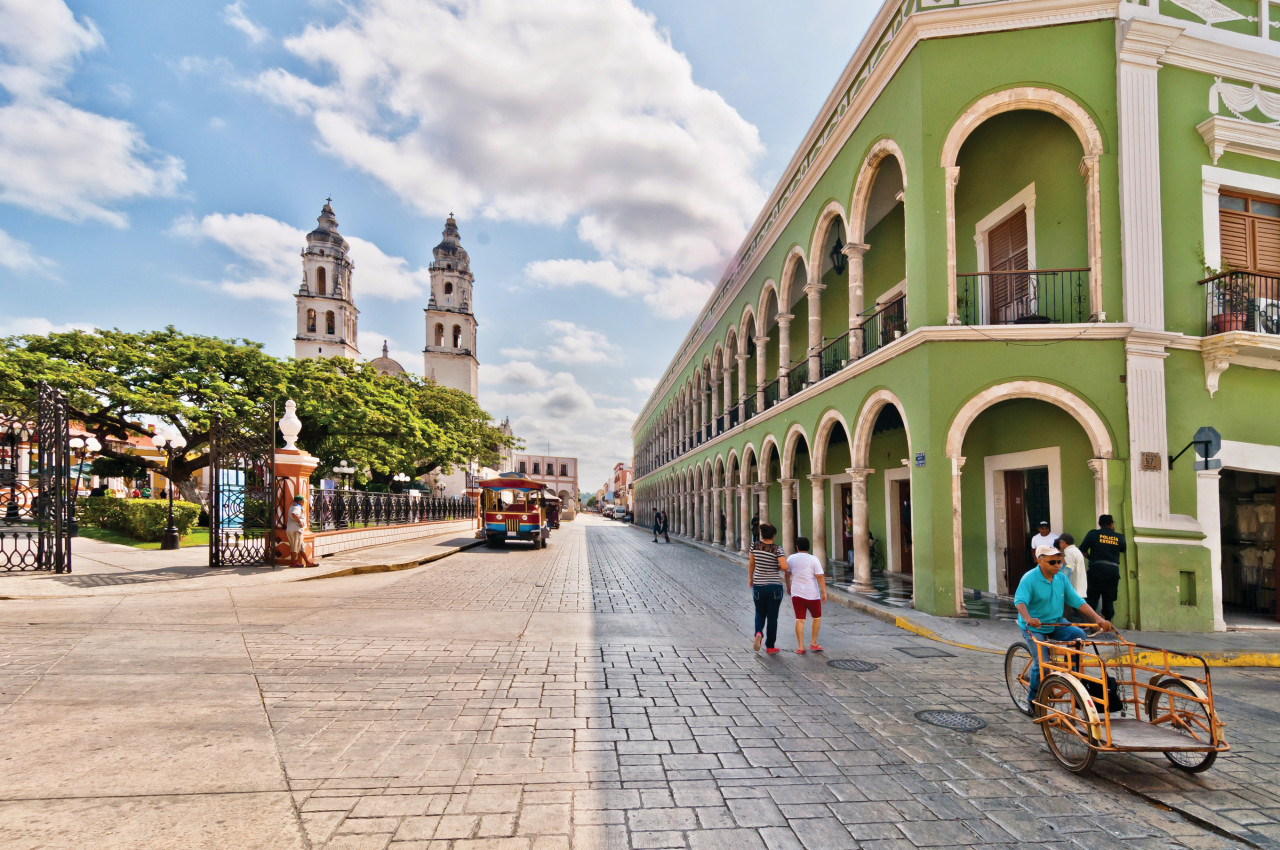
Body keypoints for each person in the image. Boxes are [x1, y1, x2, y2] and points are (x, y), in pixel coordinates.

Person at [1015, 544, 1113, 713]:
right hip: (1035, 627)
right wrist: (1028, 619)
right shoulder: (1029, 578)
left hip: (1056, 622)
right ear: (1040, 560)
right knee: (1043, 664)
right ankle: (1032, 699)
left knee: (1079, 635)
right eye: (1053, 562)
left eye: (1059, 561)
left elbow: (1077, 601)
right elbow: (1020, 602)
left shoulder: (1061, 579)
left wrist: (1098, 619)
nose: (1057, 565)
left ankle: (1073, 677)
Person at [748, 523, 789, 654]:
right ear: (774, 535)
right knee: (772, 617)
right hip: (774, 586)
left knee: (759, 613)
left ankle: (758, 632)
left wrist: (751, 579)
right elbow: (785, 566)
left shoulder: (754, 546)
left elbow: (751, 564)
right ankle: (770, 646)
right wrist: (776, 567)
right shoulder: (777, 549)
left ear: (762, 534)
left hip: (759, 585)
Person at [1080, 514, 1127, 620]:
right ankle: (1108, 622)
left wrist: (1091, 558)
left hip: (1096, 568)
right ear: (1111, 524)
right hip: (1112, 570)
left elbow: (1082, 549)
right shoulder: (1119, 537)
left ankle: (1091, 622)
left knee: (1092, 596)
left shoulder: (1093, 534)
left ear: (1099, 524)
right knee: (1109, 597)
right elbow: (1123, 549)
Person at [785, 535, 827, 654]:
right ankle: (813, 642)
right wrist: (824, 591)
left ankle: (800, 646)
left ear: (797, 547)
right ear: (809, 547)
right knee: (817, 618)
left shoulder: (791, 558)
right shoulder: (814, 559)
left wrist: (788, 586)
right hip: (812, 594)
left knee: (799, 620)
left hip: (797, 593)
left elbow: (787, 574)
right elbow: (820, 576)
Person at [286, 495, 314, 568]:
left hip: (295, 530)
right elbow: (294, 514)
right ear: (300, 501)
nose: (303, 502)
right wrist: (299, 522)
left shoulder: (293, 506)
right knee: (294, 547)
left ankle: (307, 562)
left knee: (301, 547)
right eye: (302, 501)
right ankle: (293, 563)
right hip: (295, 530)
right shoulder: (297, 507)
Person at [1056, 532, 1087, 599]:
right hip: (1078, 588)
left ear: (1062, 542)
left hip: (1073, 589)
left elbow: (1069, 569)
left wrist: (1061, 559)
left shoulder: (1068, 552)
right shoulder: (1075, 550)